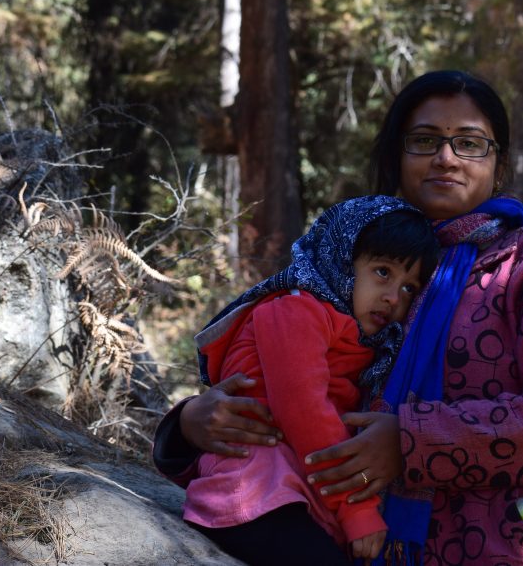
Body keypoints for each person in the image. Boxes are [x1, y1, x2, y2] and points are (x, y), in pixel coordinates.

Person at [154, 70, 523, 566]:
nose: (446, 157)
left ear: (499, 165)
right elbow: (300, 391)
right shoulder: (352, 261)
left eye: (469, 143)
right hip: (350, 542)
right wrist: (189, 425)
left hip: (513, 547)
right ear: (396, 157)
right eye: (425, 140)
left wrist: (411, 441)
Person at [158, 195, 439, 566]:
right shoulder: (296, 309)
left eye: (408, 288)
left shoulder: (356, 333)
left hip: (287, 489)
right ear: (341, 257)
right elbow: (306, 411)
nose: (392, 298)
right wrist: (357, 510)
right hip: (255, 488)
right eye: (383, 272)